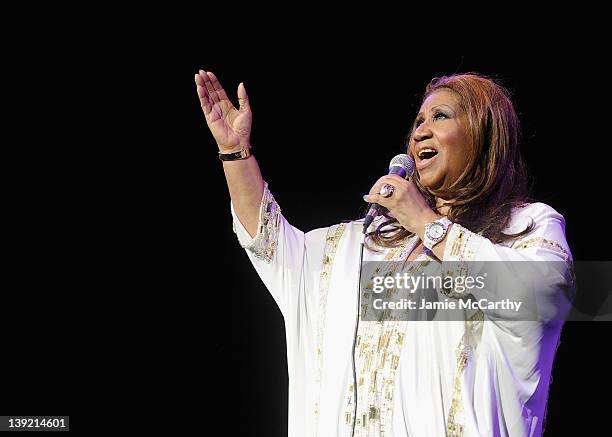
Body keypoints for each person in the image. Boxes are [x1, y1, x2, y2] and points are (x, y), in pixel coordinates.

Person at [195, 70, 574, 437]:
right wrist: (235, 153)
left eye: (440, 116)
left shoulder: (523, 228)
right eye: (418, 121)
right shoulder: (363, 246)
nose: (419, 131)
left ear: (483, 135)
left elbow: (535, 297)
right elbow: (270, 242)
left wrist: (427, 223)